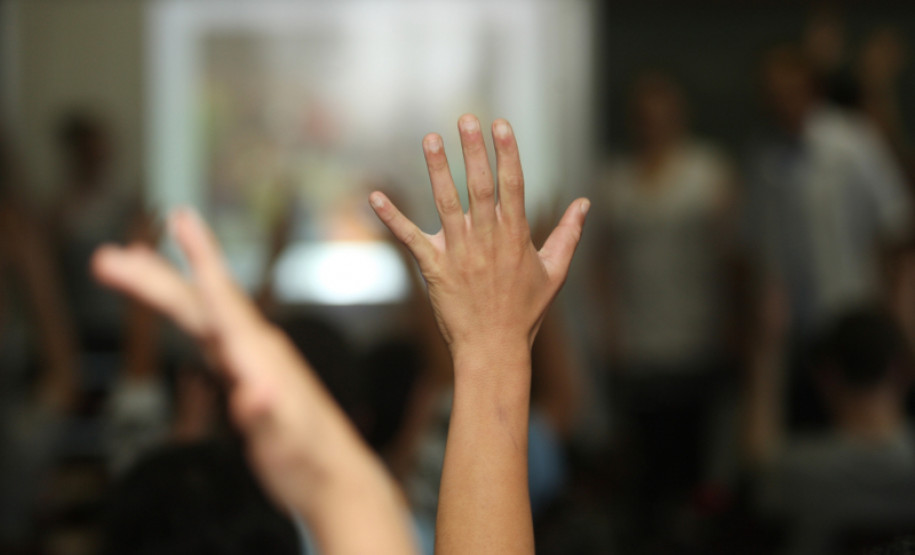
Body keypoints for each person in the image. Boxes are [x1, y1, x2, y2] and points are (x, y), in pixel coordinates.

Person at [93, 114, 588, 555]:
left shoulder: (174, 506)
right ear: (359, 420)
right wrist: (491, 345)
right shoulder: (411, 511)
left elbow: (139, 401)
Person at [594, 71, 740, 549]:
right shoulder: (615, 179)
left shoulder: (707, 171)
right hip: (639, 341)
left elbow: (732, 257)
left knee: (694, 457)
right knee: (642, 464)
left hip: (697, 333)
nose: (654, 125)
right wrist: (610, 328)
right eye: (645, 117)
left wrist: (732, 322)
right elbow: (604, 263)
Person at [746, 45, 913, 430]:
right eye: (773, 93)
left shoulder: (853, 142)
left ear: (811, 90)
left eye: (791, 90)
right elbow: (754, 244)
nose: (782, 102)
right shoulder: (762, 156)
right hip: (795, 332)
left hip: (856, 317)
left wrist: (895, 310)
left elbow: (896, 225)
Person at [743, 305, 915, 554]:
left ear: (826, 376)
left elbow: (754, 462)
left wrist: (764, 350)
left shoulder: (794, 469)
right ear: (904, 369)